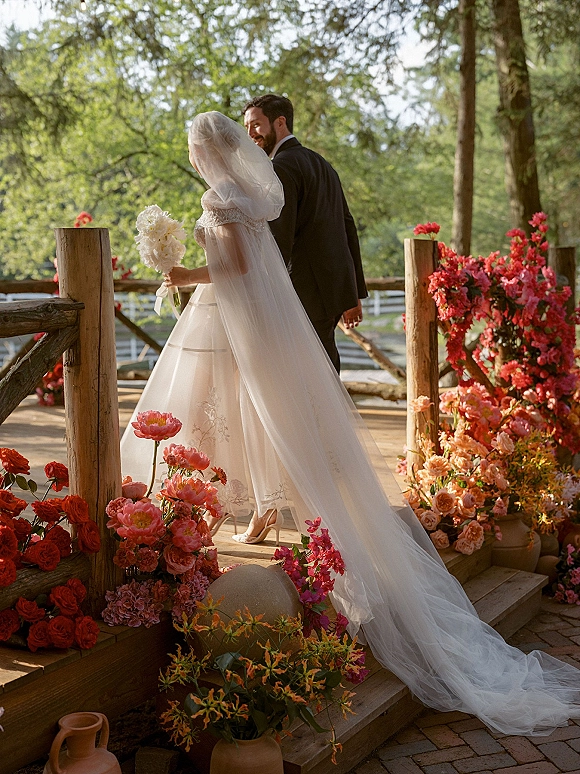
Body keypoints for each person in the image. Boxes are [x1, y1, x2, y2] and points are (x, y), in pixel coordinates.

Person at [121, 111, 580, 735]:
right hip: (248, 322)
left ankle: (249, 510)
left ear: (210, 151)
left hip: (232, 314)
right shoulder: (254, 196)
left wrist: (181, 273)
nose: (195, 154)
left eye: (196, 146)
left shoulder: (223, 198)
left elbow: (238, 272)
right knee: (256, 414)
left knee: (238, 412)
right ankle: (260, 509)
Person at [243, 94, 367, 372]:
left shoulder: (281, 166)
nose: (250, 134)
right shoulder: (322, 164)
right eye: (247, 127)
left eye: (256, 125)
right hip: (331, 289)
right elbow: (347, 225)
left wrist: (267, 286)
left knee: (307, 369)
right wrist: (353, 291)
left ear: (280, 122)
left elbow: (280, 235)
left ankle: (328, 416)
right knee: (323, 363)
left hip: (303, 287)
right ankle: (333, 416)